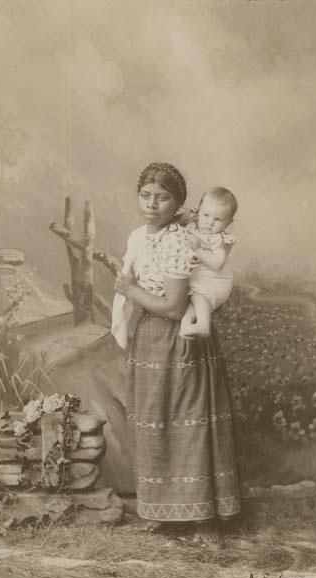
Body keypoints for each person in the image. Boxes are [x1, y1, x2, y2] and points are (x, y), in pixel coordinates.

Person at [113, 162, 241, 534]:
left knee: (189, 425)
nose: (152, 204)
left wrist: (131, 290)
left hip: (180, 338)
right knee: (154, 424)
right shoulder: (139, 237)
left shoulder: (179, 241)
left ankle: (204, 519)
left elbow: (171, 305)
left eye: (163, 197)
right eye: (146, 196)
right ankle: (160, 511)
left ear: (178, 203)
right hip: (149, 338)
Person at [179, 187, 238, 339]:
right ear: (199, 211)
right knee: (190, 306)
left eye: (218, 219)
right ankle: (186, 326)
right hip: (200, 280)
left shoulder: (220, 239)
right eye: (205, 215)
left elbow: (217, 263)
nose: (209, 223)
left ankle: (203, 326)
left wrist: (198, 250)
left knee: (198, 296)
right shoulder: (193, 229)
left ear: (228, 222)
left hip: (215, 282)